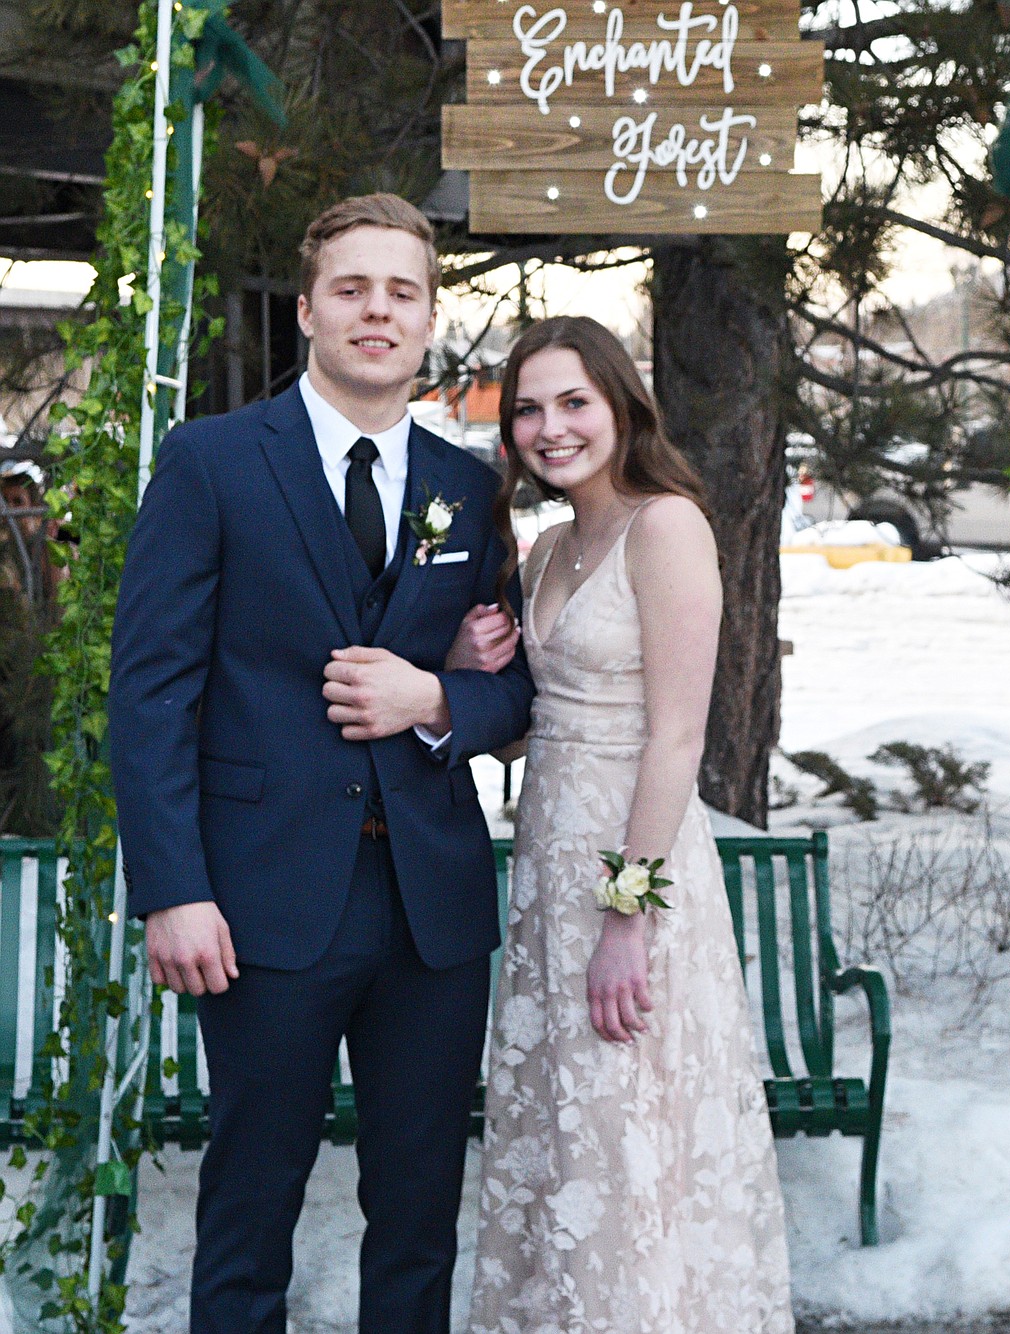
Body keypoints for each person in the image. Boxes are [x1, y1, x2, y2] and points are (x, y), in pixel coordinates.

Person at [107, 193, 534, 1334]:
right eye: (353, 288)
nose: (377, 311)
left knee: (417, 1215)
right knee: (251, 1207)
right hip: (262, 901)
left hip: (431, 907)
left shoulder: (466, 485)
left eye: (402, 291)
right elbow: (150, 691)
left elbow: (517, 685)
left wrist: (440, 694)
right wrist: (173, 888)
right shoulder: (210, 462)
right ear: (309, 309)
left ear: (431, 317)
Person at [460, 316, 794, 1332]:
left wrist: (625, 916)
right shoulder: (554, 543)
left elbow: (676, 737)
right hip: (546, 881)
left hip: (629, 877)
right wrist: (476, 664)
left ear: (620, 404)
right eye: (528, 407)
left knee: (629, 1137)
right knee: (566, 1147)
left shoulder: (667, 525)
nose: (550, 427)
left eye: (574, 402)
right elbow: (540, 728)